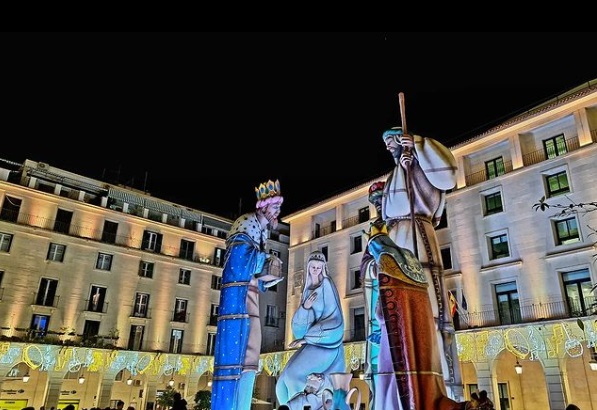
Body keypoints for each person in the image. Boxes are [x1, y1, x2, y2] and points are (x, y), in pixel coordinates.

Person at [379, 126, 460, 394]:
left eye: (393, 141)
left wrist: (418, 146)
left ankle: (434, 377)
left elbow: (447, 176)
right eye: (387, 144)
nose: (390, 146)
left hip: (417, 233)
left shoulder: (422, 167)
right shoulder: (393, 174)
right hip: (396, 238)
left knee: (424, 300)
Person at [211, 179, 285, 410]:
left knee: (252, 351)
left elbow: (253, 270)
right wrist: (264, 261)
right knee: (244, 352)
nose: (277, 213)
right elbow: (238, 259)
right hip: (239, 300)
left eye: (279, 209)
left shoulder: (261, 231)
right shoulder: (245, 223)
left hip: (250, 295)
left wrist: (269, 277)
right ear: (263, 206)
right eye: (275, 208)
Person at [275, 251, 345, 409]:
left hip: (326, 343)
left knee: (293, 376)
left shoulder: (327, 285)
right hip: (312, 342)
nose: (315, 269)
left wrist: (308, 338)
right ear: (308, 268)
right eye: (312, 266)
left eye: (319, 267)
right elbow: (300, 329)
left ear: (323, 268)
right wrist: (305, 308)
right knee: (283, 380)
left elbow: (336, 319)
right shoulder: (307, 291)